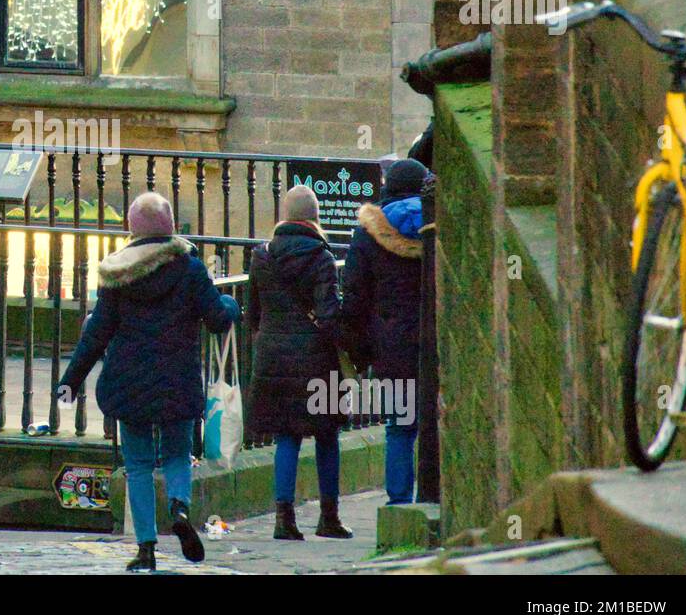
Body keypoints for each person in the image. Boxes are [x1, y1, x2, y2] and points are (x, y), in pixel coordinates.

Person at [56, 192, 241, 572]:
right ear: (171, 226)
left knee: (138, 465)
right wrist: (232, 306)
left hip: (129, 383)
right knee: (176, 455)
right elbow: (218, 320)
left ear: (131, 230)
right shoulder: (189, 269)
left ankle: (146, 549)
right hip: (178, 380)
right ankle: (179, 507)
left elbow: (97, 335)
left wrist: (70, 382)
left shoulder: (117, 275)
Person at [246, 185, 353, 541]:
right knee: (327, 435)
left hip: (274, 357)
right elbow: (328, 315)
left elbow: (254, 315)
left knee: (286, 437)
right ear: (315, 217)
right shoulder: (321, 257)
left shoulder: (261, 256)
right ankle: (329, 517)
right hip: (316, 360)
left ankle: (284, 519)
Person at [340, 158, 428, 506]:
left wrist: (358, 351)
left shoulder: (368, 235)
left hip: (391, 345)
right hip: (435, 343)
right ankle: (435, 498)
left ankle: (399, 504)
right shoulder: (438, 227)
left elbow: (355, 296)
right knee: (437, 423)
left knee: (400, 425)